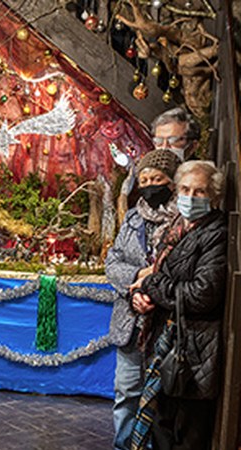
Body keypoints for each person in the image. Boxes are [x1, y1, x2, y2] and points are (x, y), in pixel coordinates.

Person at [128, 160, 226, 449]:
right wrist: (140, 297)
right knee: (161, 430)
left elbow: (200, 295)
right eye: (185, 189)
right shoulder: (176, 227)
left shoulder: (216, 232)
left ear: (214, 196)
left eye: (200, 191)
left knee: (185, 435)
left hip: (192, 353)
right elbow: (158, 273)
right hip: (164, 342)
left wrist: (151, 284)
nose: (190, 197)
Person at [104, 149, 181, 450]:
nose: (149, 186)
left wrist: (151, 285)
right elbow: (113, 263)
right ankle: (123, 446)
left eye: (156, 179)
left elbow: (179, 268)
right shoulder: (133, 218)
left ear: (172, 182)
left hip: (165, 322)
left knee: (163, 397)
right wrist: (138, 280)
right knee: (126, 391)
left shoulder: (183, 220)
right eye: (144, 180)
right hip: (130, 321)